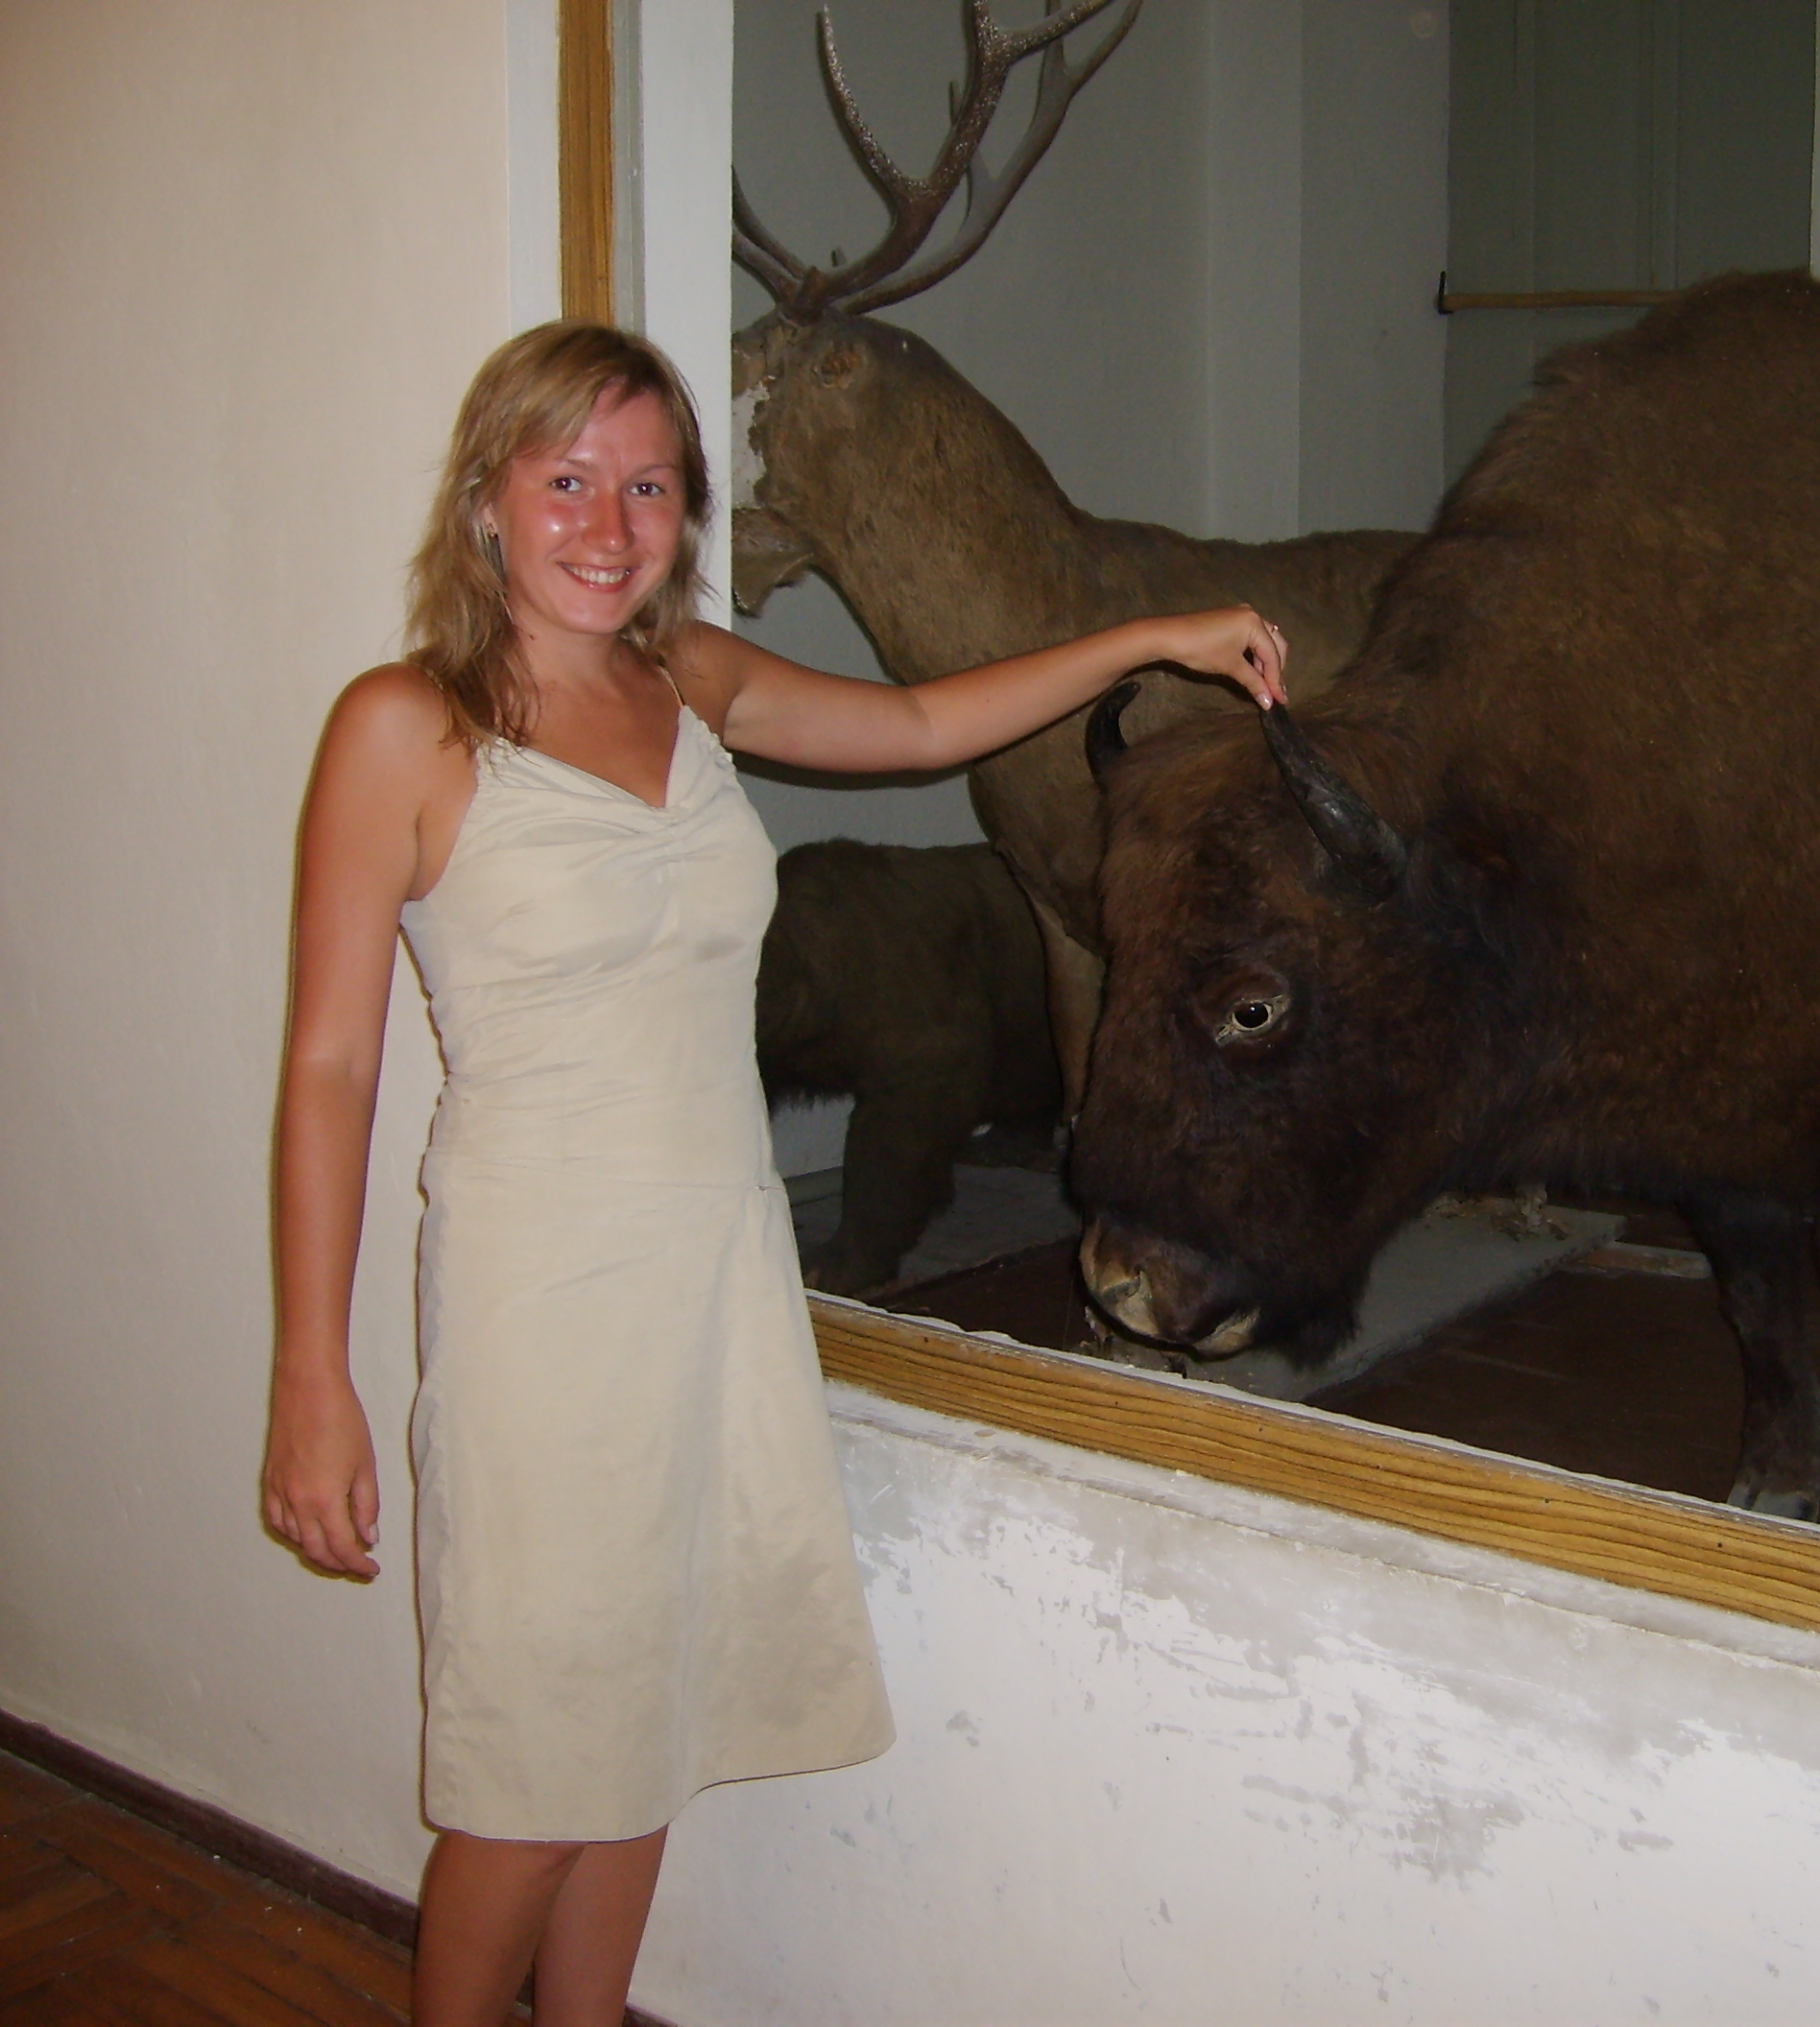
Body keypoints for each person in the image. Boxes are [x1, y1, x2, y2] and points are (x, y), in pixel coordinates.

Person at [260, 322, 1286, 2025]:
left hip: (721, 1280)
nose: (609, 524)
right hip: (542, 1302)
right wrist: (312, 1374)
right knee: (530, 1774)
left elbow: (926, 720)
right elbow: (329, 1069)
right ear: (489, 500)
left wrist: (1154, 636)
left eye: (648, 486)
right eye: (568, 479)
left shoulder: (690, 679)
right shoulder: (406, 728)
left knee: (652, 1721)